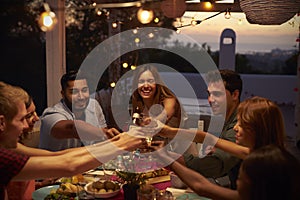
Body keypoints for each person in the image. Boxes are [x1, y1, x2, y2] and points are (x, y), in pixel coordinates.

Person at [0, 81, 145, 200]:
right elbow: (69, 164)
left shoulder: (10, 147)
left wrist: (113, 143)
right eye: (22, 119)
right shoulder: (3, 157)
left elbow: (59, 156)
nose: (26, 125)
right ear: (1, 123)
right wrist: (121, 144)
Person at [150, 97, 299, 199]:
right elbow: (208, 138)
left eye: (241, 123)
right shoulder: (266, 154)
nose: (235, 128)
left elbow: (201, 186)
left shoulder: (258, 165)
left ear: (257, 129)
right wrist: (168, 131)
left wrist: (168, 160)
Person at [182, 69, 243, 188]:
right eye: (209, 94)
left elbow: (215, 166)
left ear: (235, 95)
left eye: (217, 94)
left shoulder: (240, 123)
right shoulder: (225, 119)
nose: (210, 99)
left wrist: (170, 157)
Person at [39, 70, 120, 151]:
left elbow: (103, 140)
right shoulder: (51, 114)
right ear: (63, 94)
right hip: (56, 162)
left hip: (86, 160)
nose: (81, 97)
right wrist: (104, 133)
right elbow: (72, 128)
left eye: (84, 90)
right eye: (74, 92)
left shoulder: (93, 105)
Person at [131, 64, 186, 129]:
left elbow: (164, 117)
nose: (146, 86)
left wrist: (149, 122)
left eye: (150, 81)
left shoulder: (169, 100)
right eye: (141, 81)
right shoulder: (138, 102)